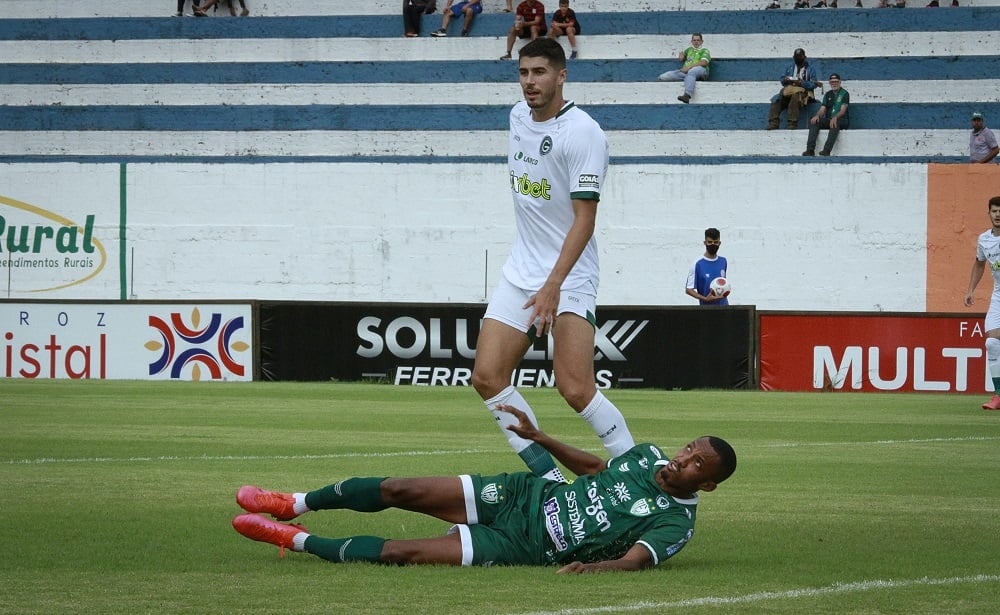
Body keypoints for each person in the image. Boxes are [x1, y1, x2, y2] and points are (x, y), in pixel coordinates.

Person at [231, 404, 738, 571]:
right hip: (523, 496)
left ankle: (290, 539)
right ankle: (291, 502)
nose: (683, 458)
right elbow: (595, 469)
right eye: (689, 448)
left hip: (526, 543)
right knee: (400, 487)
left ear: (707, 486)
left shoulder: (678, 522)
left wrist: (595, 567)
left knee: (401, 553)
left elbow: (635, 563)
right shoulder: (647, 454)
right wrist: (540, 436)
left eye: (696, 465)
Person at [475, 38, 634, 483]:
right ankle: (551, 484)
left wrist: (553, 285)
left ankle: (636, 470)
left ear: (562, 76)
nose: (530, 82)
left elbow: (585, 220)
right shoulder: (517, 117)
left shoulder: (583, 133)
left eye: (540, 72)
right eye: (524, 73)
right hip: (520, 272)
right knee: (487, 376)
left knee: (575, 388)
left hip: (570, 274)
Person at [963, 196, 1000, 410]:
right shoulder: (984, 239)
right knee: (992, 343)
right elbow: (979, 264)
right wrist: (970, 290)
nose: (998, 214)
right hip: (998, 296)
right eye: (994, 211)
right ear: (989, 214)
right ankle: (998, 395)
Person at [767, 48, 819, 130]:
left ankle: (792, 123)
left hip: (803, 92)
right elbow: (782, 79)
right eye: (796, 57)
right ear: (793, 57)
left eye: (800, 56)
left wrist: (801, 83)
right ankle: (773, 123)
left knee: (795, 97)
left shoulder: (810, 69)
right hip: (789, 91)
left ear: (805, 57)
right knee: (777, 99)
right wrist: (786, 80)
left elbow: (814, 84)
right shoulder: (790, 67)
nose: (798, 58)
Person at [803, 73, 850, 156]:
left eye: (836, 81)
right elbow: (822, 109)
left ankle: (827, 150)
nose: (834, 83)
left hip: (842, 120)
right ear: (829, 83)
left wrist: (835, 117)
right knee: (815, 122)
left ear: (840, 82)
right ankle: (810, 150)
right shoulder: (828, 94)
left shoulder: (845, 93)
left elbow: (843, 110)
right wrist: (817, 115)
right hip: (829, 119)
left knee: (835, 123)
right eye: (832, 82)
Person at [657, 33, 711, 104]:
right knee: (664, 76)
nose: (696, 42)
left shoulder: (705, 50)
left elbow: (704, 62)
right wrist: (681, 56)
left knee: (692, 72)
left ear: (702, 41)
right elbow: (682, 57)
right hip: (687, 72)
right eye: (694, 40)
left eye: (698, 40)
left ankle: (687, 95)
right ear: (692, 41)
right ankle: (692, 79)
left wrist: (688, 67)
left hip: (701, 70)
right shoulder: (689, 50)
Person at [685, 228, 729, 306]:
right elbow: (688, 289)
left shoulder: (723, 261)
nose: (713, 244)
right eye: (710, 242)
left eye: (715, 242)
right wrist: (705, 299)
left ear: (719, 243)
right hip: (706, 310)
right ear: (705, 243)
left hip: (724, 308)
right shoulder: (697, 264)